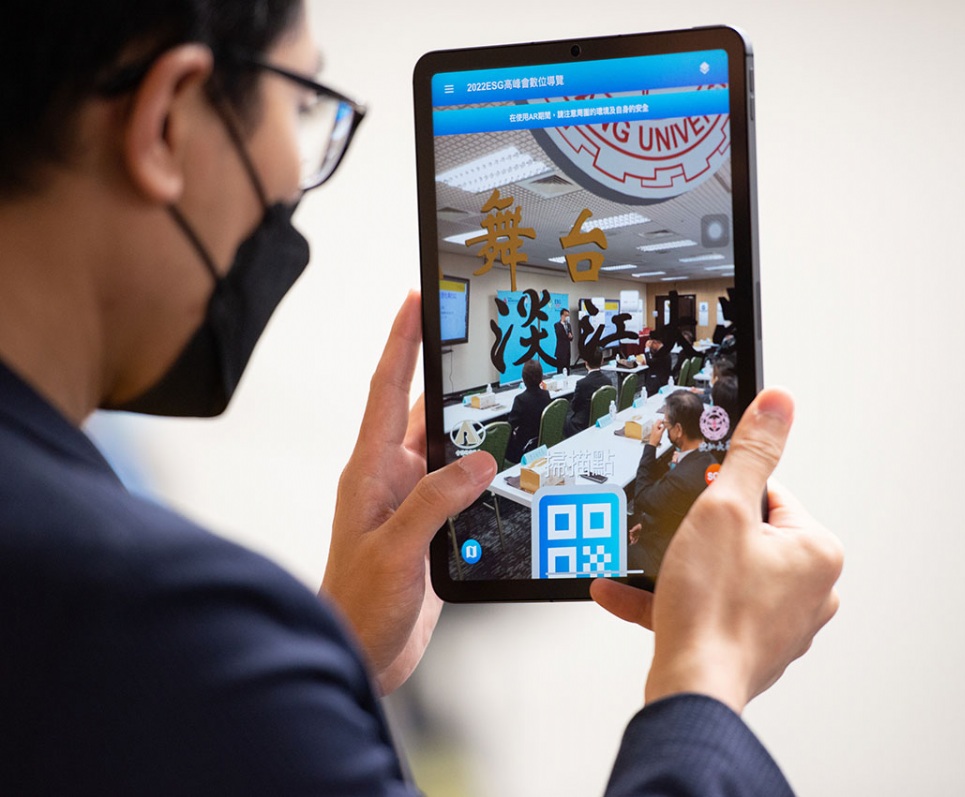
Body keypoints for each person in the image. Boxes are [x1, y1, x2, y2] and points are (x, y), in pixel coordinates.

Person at [0, 2, 843, 794]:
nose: (301, 171)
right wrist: (706, 679)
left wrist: (329, 658)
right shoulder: (149, 618)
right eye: (302, 104)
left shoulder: (107, 622)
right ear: (168, 120)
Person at [627, 391, 718, 579]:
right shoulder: (709, 459)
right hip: (694, 539)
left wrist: (651, 445)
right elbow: (676, 506)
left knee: (623, 554)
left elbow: (642, 497)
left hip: (674, 557)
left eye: (667, 425)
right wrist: (647, 524)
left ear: (678, 430)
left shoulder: (680, 479)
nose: (665, 429)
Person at [504, 358, 552, 464]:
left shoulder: (520, 399)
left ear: (523, 378)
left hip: (523, 448)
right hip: (540, 442)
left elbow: (510, 426)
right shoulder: (546, 394)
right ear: (541, 377)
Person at [564, 346, 612, 436]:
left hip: (582, 424)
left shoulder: (582, 384)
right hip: (601, 419)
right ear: (602, 361)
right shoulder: (608, 381)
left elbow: (574, 407)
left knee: (563, 421)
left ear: (586, 363)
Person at [554, 306, 573, 372]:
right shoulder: (557, 325)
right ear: (562, 316)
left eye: (568, 316)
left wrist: (571, 336)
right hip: (561, 351)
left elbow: (571, 338)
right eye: (566, 315)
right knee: (560, 370)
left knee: (567, 369)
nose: (567, 317)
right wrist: (567, 335)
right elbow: (559, 335)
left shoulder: (568, 325)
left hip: (567, 350)